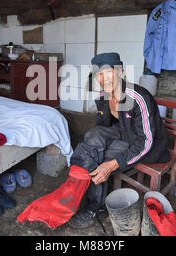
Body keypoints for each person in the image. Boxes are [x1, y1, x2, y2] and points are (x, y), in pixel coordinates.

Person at [68, 52, 170, 229]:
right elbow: (102, 127)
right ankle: (80, 174)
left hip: (149, 147)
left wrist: (113, 164)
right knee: (92, 139)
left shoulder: (138, 98)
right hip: (125, 134)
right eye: (99, 74)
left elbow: (146, 141)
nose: (104, 78)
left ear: (120, 71)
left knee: (101, 159)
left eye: (108, 72)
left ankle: (95, 207)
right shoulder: (103, 96)